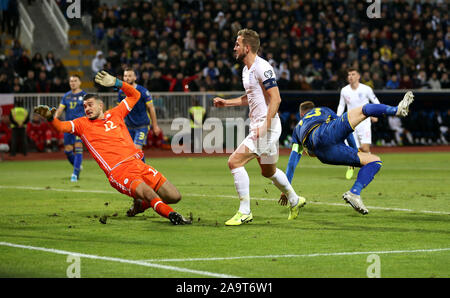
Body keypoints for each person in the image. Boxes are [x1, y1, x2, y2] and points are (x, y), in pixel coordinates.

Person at [34, 71, 191, 225]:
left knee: (174, 196)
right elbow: (61, 126)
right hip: (119, 171)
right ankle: (173, 215)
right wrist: (50, 118)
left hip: (138, 164)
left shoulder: (115, 113)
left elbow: (135, 95)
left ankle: (141, 205)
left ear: (100, 105)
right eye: (84, 106)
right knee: (148, 193)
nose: (87, 108)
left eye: (90, 105)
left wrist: (117, 83)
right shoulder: (82, 124)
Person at [213, 29, 305, 225]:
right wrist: (226, 103)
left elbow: (276, 98)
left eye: (237, 44)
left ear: (247, 47)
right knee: (268, 171)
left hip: (266, 127)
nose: (234, 47)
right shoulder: (246, 70)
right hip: (262, 126)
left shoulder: (263, 67)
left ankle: (245, 211)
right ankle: (295, 199)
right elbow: (252, 97)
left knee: (234, 162)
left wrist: (266, 125)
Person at [280, 91, 414, 215]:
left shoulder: (297, 129)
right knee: (364, 110)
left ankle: (354, 194)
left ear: (302, 114)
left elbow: (292, 162)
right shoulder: (322, 110)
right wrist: (354, 151)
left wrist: (286, 190)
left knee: (374, 160)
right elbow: (347, 129)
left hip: (324, 155)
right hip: (325, 133)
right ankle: (396, 110)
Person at [337, 68, 380, 180]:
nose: (350, 76)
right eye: (349, 74)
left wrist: (376, 114)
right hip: (350, 123)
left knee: (365, 148)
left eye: (353, 74)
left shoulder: (366, 89)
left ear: (358, 76)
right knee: (351, 149)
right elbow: (341, 105)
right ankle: (351, 166)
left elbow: (376, 102)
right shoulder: (344, 90)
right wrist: (337, 118)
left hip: (364, 122)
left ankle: (369, 166)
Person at [117, 68, 161, 163]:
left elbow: (151, 108)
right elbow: (120, 109)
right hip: (129, 126)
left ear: (135, 77)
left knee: (137, 148)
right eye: (125, 76)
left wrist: (155, 125)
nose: (127, 78)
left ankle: (142, 173)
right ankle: (142, 170)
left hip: (142, 125)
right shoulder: (121, 92)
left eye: (129, 76)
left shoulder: (143, 91)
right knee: (131, 151)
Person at [54, 75, 87, 182]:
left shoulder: (85, 95)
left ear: (80, 82)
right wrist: (53, 118)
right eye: (71, 81)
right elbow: (60, 110)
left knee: (78, 147)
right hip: (68, 126)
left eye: (75, 81)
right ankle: (77, 166)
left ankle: (75, 174)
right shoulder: (66, 96)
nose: (73, 83)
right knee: (68, 151)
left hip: (80, 126)